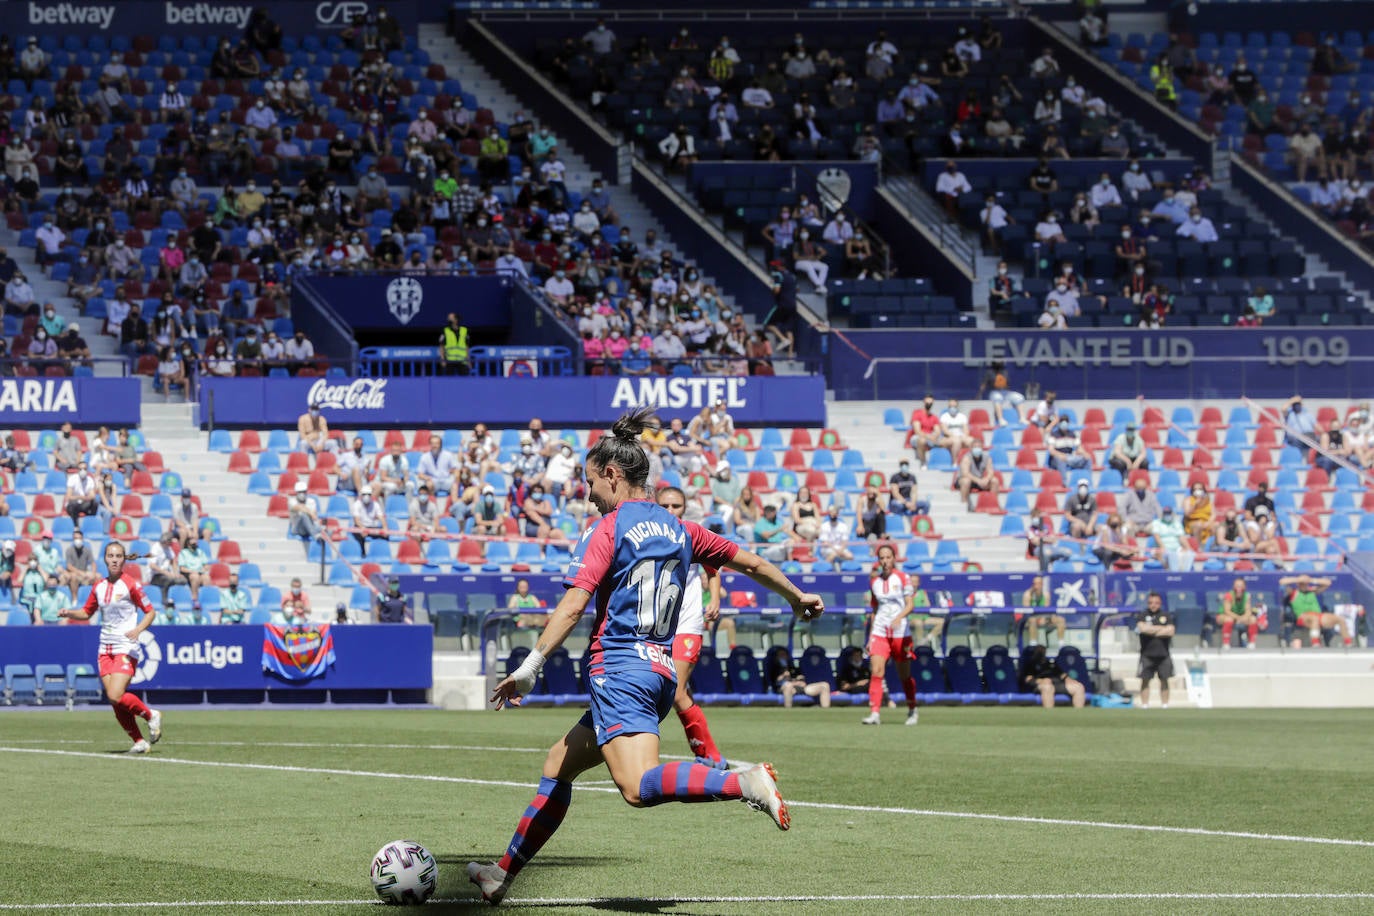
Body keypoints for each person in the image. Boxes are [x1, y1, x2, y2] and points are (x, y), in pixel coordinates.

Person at [467, 409, 823, 905]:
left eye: (591, 482)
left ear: (612, 475)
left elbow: (573, 606)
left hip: (619, 671)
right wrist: (795, 595)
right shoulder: (682, 529)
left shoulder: (608, 530)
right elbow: (753, 562)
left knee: (636, 787)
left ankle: (742, 782)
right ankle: (501, 874)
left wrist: (529, 667)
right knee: (558, 764)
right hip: (657, 674)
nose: (587, 494)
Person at [57, 542, 164, 753]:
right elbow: (87, 613)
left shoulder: (131, 584)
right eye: (110, 555)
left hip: (126, 646)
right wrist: (69, 612)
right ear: (105, 559)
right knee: (115, 701)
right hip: (104, 648)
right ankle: (139, 742)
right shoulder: (99, 586)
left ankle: (151, 715)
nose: (114, 559)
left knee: (116, 694)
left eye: (118, 556)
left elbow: (150, 612)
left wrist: (138, 629)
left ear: (124, 559)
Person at [656, 487, 728, 765]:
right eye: (665, 506)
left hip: (687, 624)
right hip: (658, 628)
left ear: (684, 508)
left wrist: (714, 599)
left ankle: (710, 755)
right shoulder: (649, 536)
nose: (671, 511)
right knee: (665, 691)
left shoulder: (690, 534)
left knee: (676, 691)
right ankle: (706, 754)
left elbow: (713, 569)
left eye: (676, 506)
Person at [860, 544, 919, 726]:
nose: (885, 561)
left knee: (904, 675)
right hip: (880, 631)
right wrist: (870, 637)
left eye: (888, 557)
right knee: (877, 671)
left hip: (900, 633)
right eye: (882, 558)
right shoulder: (874, 582)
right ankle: (875, 713)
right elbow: (875, 609)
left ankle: (912, 709)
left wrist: (898, 618)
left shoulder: (903, 578)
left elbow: (910, 605)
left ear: (894, 558)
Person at [1280, 574, 1351, 648]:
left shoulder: (1312, 591)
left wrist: (1311, 580)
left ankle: (1348, 643)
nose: (1304, 585)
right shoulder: (1294, 593)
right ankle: (1315, 643)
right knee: (1314, 619)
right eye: (1302, 584)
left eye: (1305, 584)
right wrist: (1299, 579)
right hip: (1303, 617)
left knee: (1340, 619)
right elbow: (1282, 582)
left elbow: (1328, 583)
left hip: (1318, 615)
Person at [1135, 591, 1175, 708]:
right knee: (1145, 680)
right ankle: (1145, 704)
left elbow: (1171, 630)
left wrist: (1151, 630)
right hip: (1147, 654)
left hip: (1163, 654)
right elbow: (1142, 628)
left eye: (1156, 603)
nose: (1153, 605)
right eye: (1151, 603)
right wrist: (1161, 629)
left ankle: (1165, 704)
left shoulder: (1165, 615)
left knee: (1164, 680)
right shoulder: (1143, 615)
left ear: (1160, 603)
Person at [1018, 644, 1085, 709]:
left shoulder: (1051, 664)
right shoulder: (1030, 665)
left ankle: (1079, 714)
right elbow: (1028, 679)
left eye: (1043, 650)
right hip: (1042, 685)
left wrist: (1068, 679)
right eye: (1039, 651)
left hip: (1057, 684)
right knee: (1047, 686)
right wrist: (1041, 681)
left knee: (1078, 686)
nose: (1041, 653)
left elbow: (1062, 674)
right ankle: (1050, 714)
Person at [1216, 578, 1261, 651]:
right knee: (1229, 619)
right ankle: (1226, 643)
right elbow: (1227, 611)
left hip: (1240, 617)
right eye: (1237, 586)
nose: (1239, 588)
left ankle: (1252, 643)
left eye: (1241, 586)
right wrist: (1238, 618)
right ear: (1234, 586)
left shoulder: (1247, 595)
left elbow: (1248, 611)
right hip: (1225, 616)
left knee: (1253, 619)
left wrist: (1244, 618)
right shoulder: (1229, 595)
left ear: (1244, 587)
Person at [1021, 575, 1066, 646]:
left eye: (1039, 583)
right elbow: (1026, 611)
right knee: (1032, 620)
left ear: (1042, 584)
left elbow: (1046, 609)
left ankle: (1061, 644)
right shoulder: (1027, 594)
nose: (1037, 586)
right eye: (1035, 583)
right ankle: (1033, 644)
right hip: (1031, 617)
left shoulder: (1046, 594)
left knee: (1061, 620)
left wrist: (1044, 618)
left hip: (1044, 616)